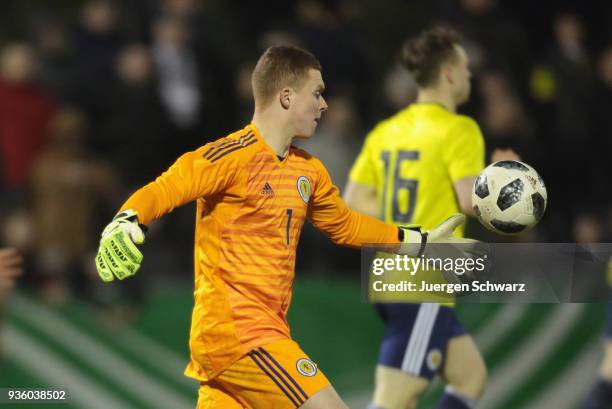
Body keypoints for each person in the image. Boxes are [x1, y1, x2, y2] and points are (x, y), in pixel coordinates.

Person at [94, 45, 477, 409]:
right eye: (318, 93)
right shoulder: (233, 156)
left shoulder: (307, 170)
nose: (324, 105)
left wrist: (417, 242)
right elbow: (168, 186)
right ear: (287, 97)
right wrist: (128, 219)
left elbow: (344, 225)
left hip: (245, 340)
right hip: (241, 335)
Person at [344, 27, 497, 409]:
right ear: (447, 73)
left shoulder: (385, 131)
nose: (469, 75)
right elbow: (469, 201)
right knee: (394, 400)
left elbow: (353, 201)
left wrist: (403, 226)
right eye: (464, 67)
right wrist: (502, 183)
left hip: (387, 271)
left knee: (469, 376)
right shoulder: (460, 129)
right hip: (423, 279)